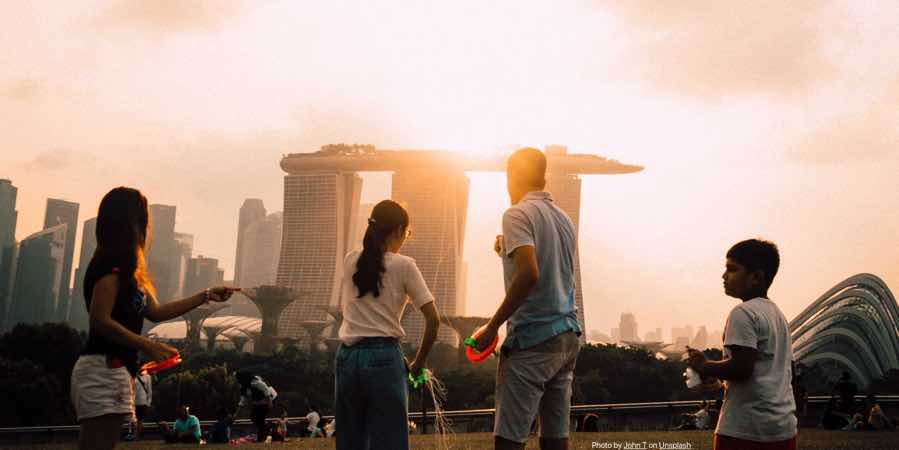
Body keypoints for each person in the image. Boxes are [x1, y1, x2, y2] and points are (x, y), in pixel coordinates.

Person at [69, 187, 237, 450]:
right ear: (130, 223)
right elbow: (99, 320)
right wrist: (147, 345)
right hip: (102, 368)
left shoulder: (131, 272)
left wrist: (205, 295)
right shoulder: (109, 266)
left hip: (118, 369)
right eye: (141, 218)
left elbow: (156, 312)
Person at [473, 148, 582, 450]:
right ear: (543, 176)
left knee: (509, 439)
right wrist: (505, 248)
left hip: (532, 340)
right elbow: (548, 266)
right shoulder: (563, 219)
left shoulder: (516, 214)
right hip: (567, 337)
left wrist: (492, 326)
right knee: (555, 437)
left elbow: (530, 274)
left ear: (512, 176)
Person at [335, 199, 441, 450]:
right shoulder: (404, 265)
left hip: (346, 358)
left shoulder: (350, 260)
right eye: (406, 233)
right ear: (397, 231)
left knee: (350, 440)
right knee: (390, 441)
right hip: (383, 358)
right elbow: (433, 320)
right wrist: (419, 363)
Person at [687, 239, 797, 450]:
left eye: (732, 269)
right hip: (782, 429)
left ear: (756, 277)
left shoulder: (743, 313)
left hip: (745, 429)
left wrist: (704, 365)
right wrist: (721, 386)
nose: (724, 275)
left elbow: (741, 368)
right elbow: (776, 373)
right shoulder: (779, 316)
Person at [236, 371, 277, 442]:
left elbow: (266, 391)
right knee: (253, 417)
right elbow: (242, 401)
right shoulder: (244, 388)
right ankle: (266, 428)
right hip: (257, 402)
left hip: (268, 400)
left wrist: (269, 403)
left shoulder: (256, 382)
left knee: (260, 419)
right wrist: (236, 414)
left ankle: (261, 437)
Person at [131, 369, 152, 440]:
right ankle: (134, 434)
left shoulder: (147, 376)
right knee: (133, 420)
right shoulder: (133, 375)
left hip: (142, 402)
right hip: (133, 401)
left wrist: (148, 403)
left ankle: (137, 436)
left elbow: (149, 391)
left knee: (139, 420)